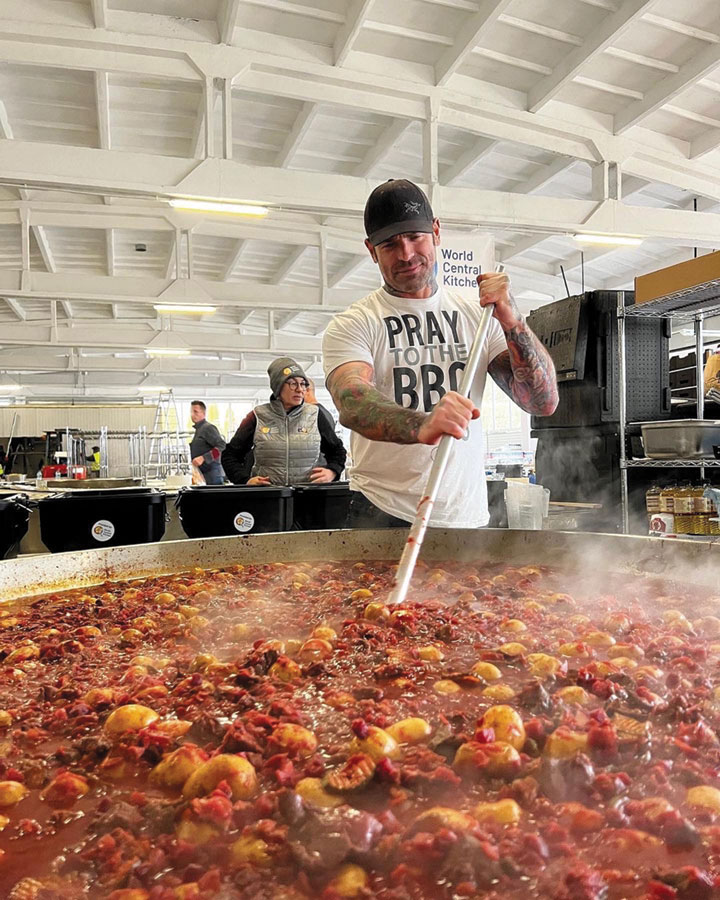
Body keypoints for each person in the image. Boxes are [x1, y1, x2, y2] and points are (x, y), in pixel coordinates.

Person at [322, 178, 558, 529]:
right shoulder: (355, 323)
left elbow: (541, 402)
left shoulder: (480, 317)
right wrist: (422, 424)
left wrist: (512, 320)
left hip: (465, 514)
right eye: (389, 244)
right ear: (371, 250)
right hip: (384, 510)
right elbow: (352, 400)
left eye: (414, 237)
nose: (405, 254)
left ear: (435, 232)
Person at [222, 357, 347, 486]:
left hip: (308, 498)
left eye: (303, 384)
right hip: (270, 498)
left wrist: (332, 471)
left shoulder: (315, 415)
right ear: (278, 386)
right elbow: (230, 455)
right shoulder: (257, 416)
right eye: (293, 383)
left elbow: (337, 451)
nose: (300, 389)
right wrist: (245, 480)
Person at [189, 400, 227, 485]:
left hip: (213, 476)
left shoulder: (208, 428)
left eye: (196, 412)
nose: (192, 414)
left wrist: (204, 458)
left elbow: (222, 446)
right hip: (204, 475)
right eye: (191, 412)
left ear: (203, 413)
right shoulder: (199, 430)